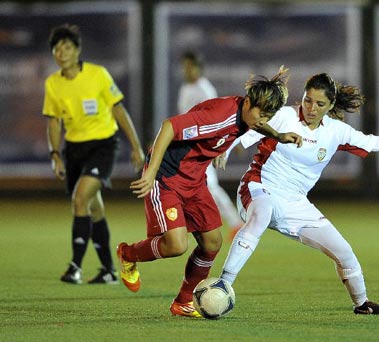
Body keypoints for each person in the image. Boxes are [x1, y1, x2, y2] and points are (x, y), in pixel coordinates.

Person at [217, 73, 379, 315]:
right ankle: (224, 283)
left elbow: (373, 142)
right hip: (258, 187)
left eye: (319, 104)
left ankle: (362, 304)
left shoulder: (336, 132)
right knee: (261, 214)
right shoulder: (284, 116)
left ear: (330, 106)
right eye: (308, 100)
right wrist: (226, 149)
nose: (311, 108)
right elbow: (247, 128)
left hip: (295, 203)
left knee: (344, 251)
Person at [116, 66, 302, 318]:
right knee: (176, 245)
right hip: (167, 177)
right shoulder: (219, 115)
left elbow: (257, 123)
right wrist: (149, 173)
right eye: (261, 113)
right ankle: (127, 253)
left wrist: (278, 135)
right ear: (247, 102)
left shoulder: (249, 115)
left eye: (268, 116)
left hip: (195, 180)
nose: (262, 120)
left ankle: (183, 302)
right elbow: (169, 127)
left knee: (213, 241)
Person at [43, 24, 145, 285]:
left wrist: (135, 146)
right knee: (93, 206)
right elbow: (53, 122)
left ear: (77, 50)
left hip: (103, 145)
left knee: (80, 199)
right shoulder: (53, 84)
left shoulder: (98, 75)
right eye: (57, 49)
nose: (61, 53)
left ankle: (75, 266)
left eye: (67, 47)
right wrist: (55, 155)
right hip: (74, 149)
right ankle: (109, 270)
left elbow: (119, 110)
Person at [177, 51, 243, 239]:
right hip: (189, 144)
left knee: (210, 186)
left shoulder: (204, 90)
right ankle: (194, 223)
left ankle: (236, 224)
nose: (186, 70)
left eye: (190, 66)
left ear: (198, 68)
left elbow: (216, 117)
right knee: (191, 185)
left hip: (203, 144)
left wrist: (227, 139)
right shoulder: (186, 88)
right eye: (184, 67)